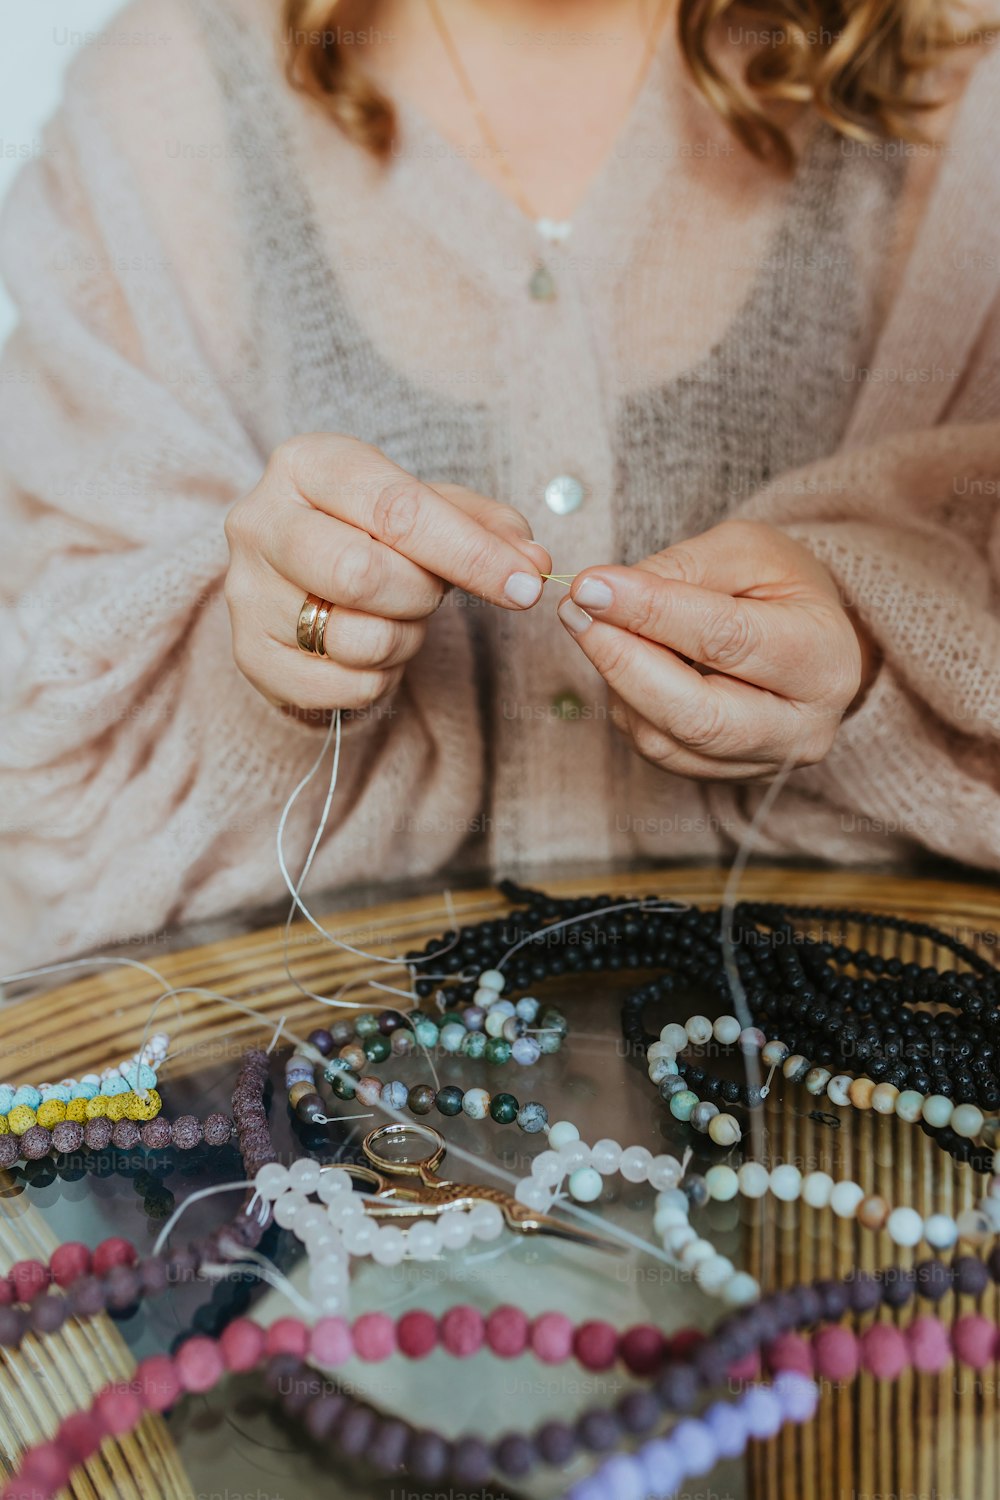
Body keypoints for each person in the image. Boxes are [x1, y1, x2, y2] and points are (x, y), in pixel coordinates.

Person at [0, 0, 998, 970]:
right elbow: (50, 754)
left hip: (871, 1099)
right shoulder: (160, 104)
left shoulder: (960, 85)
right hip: (317, 1106)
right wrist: (262, 657)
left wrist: (870, 654)